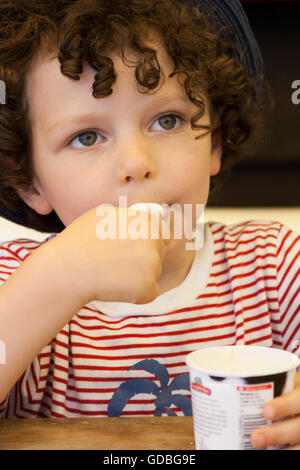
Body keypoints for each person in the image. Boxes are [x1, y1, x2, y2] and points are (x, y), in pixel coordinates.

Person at [0, 0, 299, 450]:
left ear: (214, 142)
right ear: (30, 181)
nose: (136, 163)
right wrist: (56, 280)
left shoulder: (276, 265)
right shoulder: (16, 283)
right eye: (86, 137)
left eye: (167, 120)